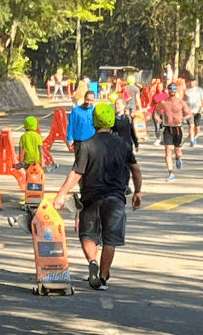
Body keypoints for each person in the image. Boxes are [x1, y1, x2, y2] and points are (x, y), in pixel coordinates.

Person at [52, 103, 142, 291]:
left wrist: (61, 194)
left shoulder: (86, 145)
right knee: (110, 239)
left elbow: (76, 173)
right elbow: (135, 170)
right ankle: (102, 277)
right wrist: (138, 192)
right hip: (116, 198)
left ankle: (92, 261)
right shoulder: (124, 145)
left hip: (91, 197)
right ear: (111, 121)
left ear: (94, 121)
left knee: (87, 234)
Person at [152, 82, 193, 182]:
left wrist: (183, 119)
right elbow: (156, 112)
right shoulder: (163, 102)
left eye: (174, 88)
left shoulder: (181, 102)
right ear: (168, 90)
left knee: (178, 152)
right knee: (168, 150)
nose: (172, 90)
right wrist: (157, 117)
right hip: (167, 128)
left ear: (177, 90)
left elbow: (190, 114)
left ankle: (178, 159)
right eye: (170, 88)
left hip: (178, 129)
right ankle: (170, 173)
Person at [184, 79, 203, 147]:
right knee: (191, 126)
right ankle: (192, 140)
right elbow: (184, 100)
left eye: (193, 82)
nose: (191, 83)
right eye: (190, 82)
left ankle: (196, 137)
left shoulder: (199, 90)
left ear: (196, 82)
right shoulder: (187, 91)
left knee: (197, 126)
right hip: (189, 111)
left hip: (197, 110)